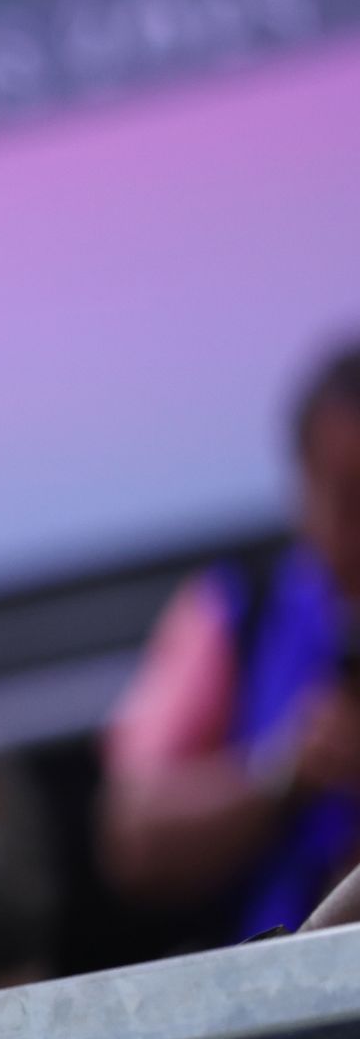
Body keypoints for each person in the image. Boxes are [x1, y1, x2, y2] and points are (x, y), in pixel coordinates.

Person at [103, 343, 360, 943]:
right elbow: (129, 831)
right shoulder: (237, 608)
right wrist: (284, 773)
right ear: (304, 485)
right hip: (288, 1010)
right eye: (351, 500)